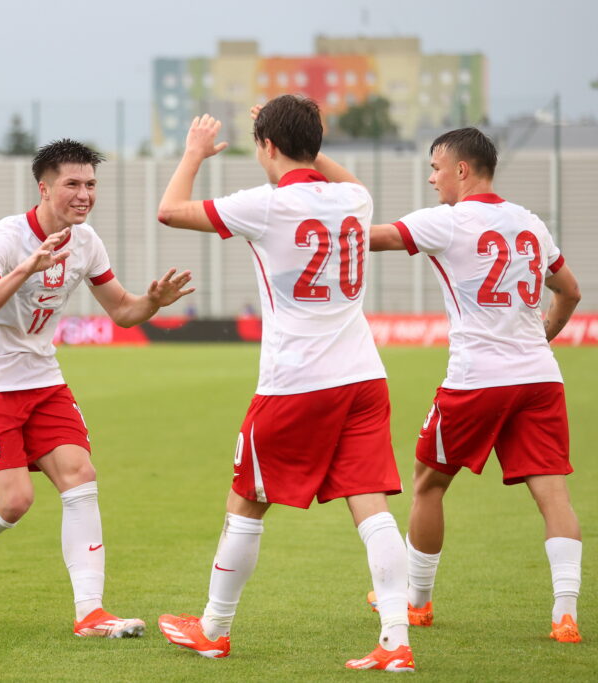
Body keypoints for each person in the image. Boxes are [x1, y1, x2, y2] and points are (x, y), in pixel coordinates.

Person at [153, 96, 414, 671]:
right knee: (371, 508)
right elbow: (340, 176)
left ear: (265, 146)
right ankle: (396, 639)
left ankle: (214, 629)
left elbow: (169, 211)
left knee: (246, 500)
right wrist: (301, 136)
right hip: (365, 376)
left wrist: (194, 152)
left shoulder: (265, 205)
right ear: (316, 145)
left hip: (297, 381)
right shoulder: (354, 197)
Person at [0, 139, 195, 638]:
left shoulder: (87, 241)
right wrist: (25, 268)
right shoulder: (5, 238)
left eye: (91, 184)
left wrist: (153, 302)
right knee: (13, 503)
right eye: (73, 184)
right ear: (45, 187)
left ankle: (90, 612)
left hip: (43, 378)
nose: (84, 195)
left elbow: (122, 312)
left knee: (80, 474)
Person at [366, 127, 583, 643]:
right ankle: (565, 615)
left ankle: (417, 604)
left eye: (436, 167)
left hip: (477, 381)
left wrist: (314, 216)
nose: (431, 176)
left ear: (462, 170)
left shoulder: (448, 221)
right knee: (553, 494)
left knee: (428, 482)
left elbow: (378, 238)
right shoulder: (529, 222)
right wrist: (541, 338)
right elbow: (570, 292)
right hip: (539, 379)